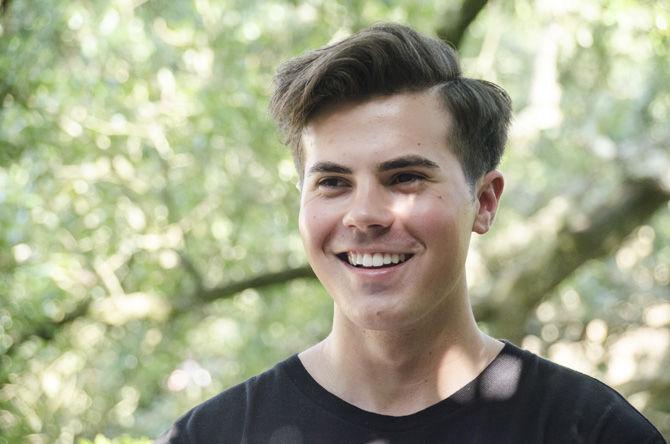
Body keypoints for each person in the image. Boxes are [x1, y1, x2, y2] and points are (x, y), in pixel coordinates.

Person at [158, 23, 665, 443]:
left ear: (484, 202)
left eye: (405, 178)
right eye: (332, 182)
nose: (364, 215)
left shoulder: (593, 432)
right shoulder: (214, 435)